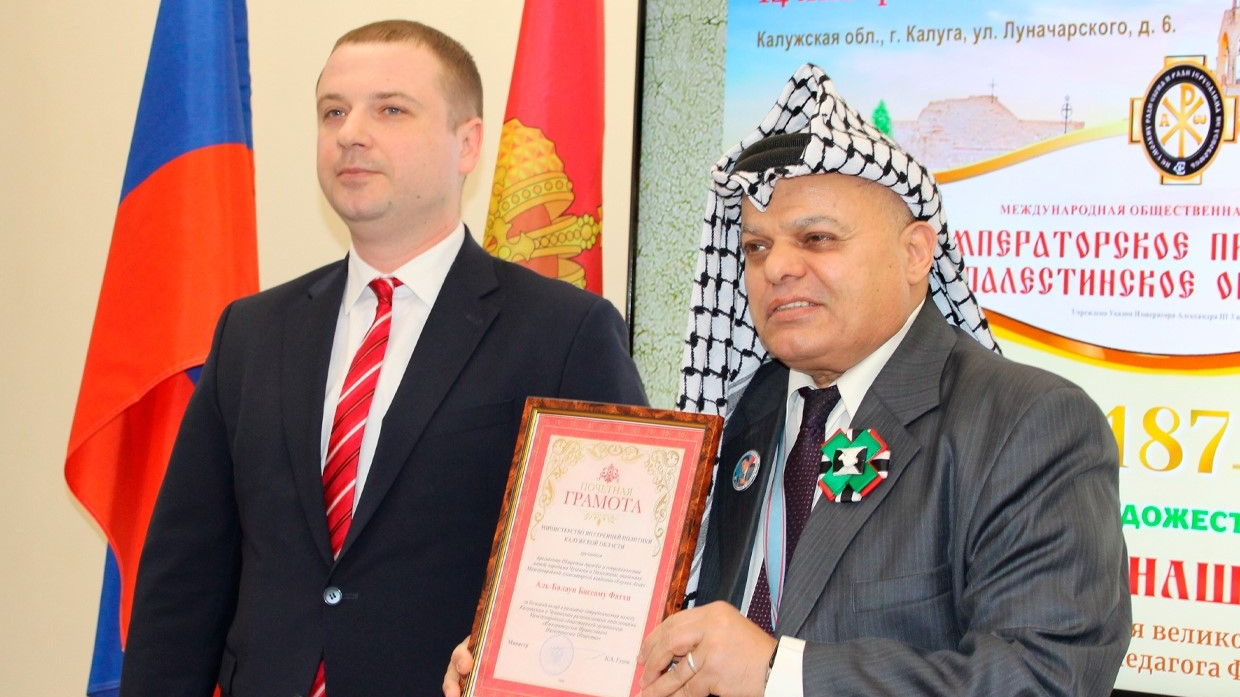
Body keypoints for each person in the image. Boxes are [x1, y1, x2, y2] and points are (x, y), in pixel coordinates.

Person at [444, 63, 1129, 697]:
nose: (777, 268)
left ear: (916, 252)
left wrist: (781, 673)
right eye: (757, 246)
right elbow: (676, 640)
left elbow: (1048, 675)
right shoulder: (740, 417)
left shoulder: (1026, 424)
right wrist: (528, 662)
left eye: (817, 239)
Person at [120, 19, 645, 697]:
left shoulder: (565, 333)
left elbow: (609, 582)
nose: (351, 133)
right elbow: (183, 582)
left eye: (390, 110)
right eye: (333, 112)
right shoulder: (250, 333)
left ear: (468, 144)